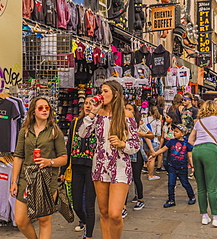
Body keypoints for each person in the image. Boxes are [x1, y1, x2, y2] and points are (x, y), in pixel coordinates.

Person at [78, 80, 140, 239]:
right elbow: (82, 134)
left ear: (116, 94)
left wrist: (122, 144)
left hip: (120, 166)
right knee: (104, 212)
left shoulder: (126, 115)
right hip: (100, 165)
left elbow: (135, 144)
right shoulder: (97, 114)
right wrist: (92, 113)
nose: (102, 94)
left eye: (105, 91)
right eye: (101, 91)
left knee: (115, 214)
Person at [10, 97, 67, 239]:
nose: (44, 110)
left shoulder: (55, 132)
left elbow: (64, 158)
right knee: (21, 221)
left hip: (47, 180)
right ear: (33, 112)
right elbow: (18, 156)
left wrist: (50, 162)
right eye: (40, 108)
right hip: (26, 180)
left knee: (44, 219)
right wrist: (14, 181)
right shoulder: (25, 130)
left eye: (47, 107)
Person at [60, 96, 97, 239]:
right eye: (86, 103)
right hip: (75, 165)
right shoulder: (75, 122)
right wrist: (63, 170)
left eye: (92, 103)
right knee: (76, 204)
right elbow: (69, 146)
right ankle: (87, 223)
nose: (88, 106)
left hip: (91, 167)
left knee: (89, 204)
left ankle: (89, 235)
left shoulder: (98, 122)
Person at [150, 124, 196, 208]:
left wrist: (193, 167)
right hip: (172, 167)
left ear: (182, 134)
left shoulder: (187, 144)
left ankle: (192, 196)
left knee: (185, 183)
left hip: (182, 168)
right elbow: (163, 149)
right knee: (171, 183)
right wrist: (154, 154)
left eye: (177, 131)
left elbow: (190, 156)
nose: (174, 133)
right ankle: (171, 200)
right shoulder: (171, 142)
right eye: (174, 131)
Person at [125, 103, 154, 214]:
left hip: (136, 153)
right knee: (125, 179)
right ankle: (123, 205)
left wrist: (142, 134)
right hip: (124, 154)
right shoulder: (121, 122)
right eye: (126, 109)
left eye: (130, 109)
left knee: (136, 177)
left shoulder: (139, 123)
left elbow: (151, 135)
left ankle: (140, 199)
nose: (127, 111)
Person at [142, 106, 162, 180]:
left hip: (145, 140)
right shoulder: (157, 121)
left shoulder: (144, 120)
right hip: (155, 140)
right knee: (152, 158)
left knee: (147, 157)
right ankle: (151, 175)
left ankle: (148, 170)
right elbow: (159, 133)